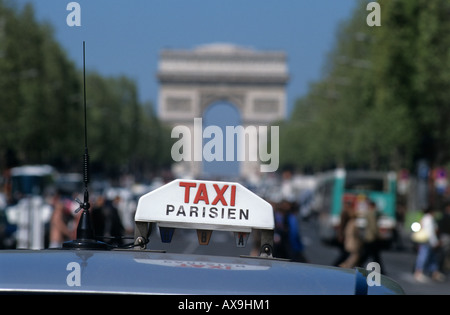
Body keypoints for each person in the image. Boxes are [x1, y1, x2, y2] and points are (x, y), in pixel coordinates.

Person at [414, 207, 445, 282]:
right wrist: (435, 242)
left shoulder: (425, 218)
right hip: (428, 242)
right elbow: (430, 232)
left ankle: (434, 273)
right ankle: (419, 272)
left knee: (431, 257)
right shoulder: (429, 219)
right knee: (424, 257)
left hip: (426, 241)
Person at [358, 200, 385, 273]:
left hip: (368, 236)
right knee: (372, 255)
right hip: (371, 237)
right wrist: (378, 235)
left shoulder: (368, 213)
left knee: (372, 255)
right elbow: (373, 226)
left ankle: (359, 265)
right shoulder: (372, 214)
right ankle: (358, 265)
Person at [339, 204, 362, 269]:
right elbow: (355, 234)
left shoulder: (350, 223)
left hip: (350, 241)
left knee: (351, 255)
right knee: (355, 256)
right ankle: (346, 266)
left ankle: (346, 265)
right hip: (353, 242)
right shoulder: (353, 223)